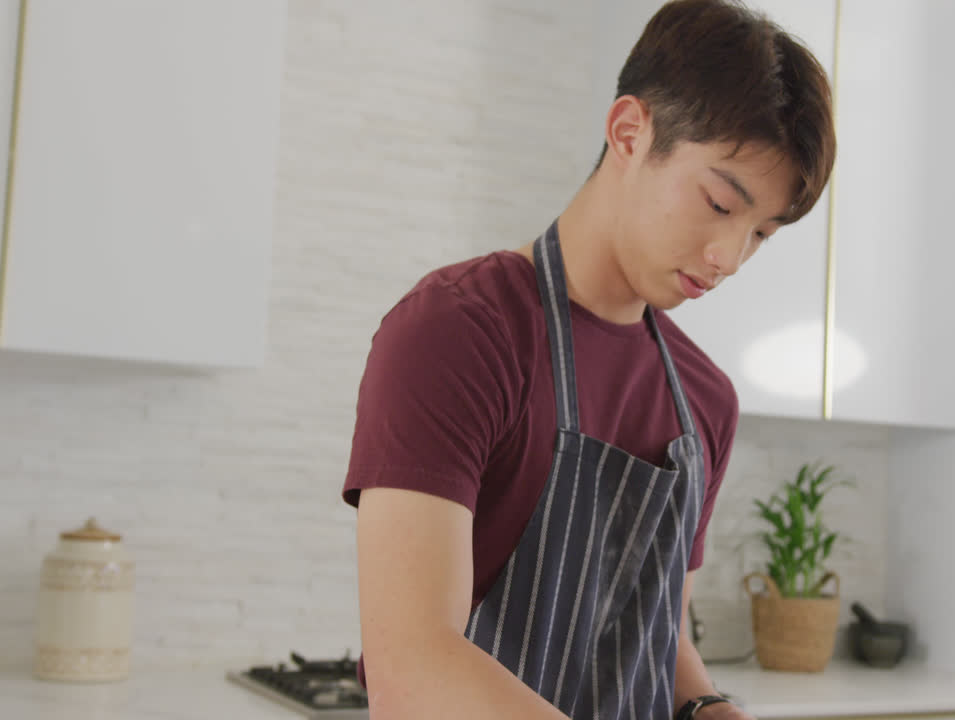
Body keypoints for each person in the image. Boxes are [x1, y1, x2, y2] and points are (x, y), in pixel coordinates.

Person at [341, 1, 836, 718]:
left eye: (762, 233)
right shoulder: (458, 332)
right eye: (720, 204)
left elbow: (662, 643)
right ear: (629, 131)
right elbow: (411, 665)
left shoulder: (704, 403)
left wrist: (709, 709)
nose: (728, 258)